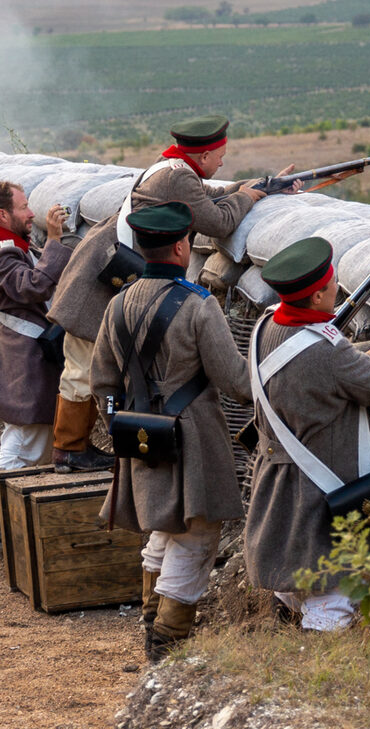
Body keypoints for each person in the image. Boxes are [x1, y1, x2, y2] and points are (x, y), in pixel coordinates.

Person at [48, 115, 293, 472]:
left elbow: (211, 198)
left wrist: (262, 187)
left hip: (105, 271)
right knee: (82, 367)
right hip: (99, 283)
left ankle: (74, 447)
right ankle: (68, 449)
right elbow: (219, 221)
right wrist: (247, 198)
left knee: (86, 367)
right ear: (205, 154)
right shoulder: (177, 176)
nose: (222, 162)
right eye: (219, 155)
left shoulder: (172, 169)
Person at [243, 237, 370, 631]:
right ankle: (314, 675)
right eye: (330, 287)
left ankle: (287, 647)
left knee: (302, 576)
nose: (336, 291)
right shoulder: (325, 352)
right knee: (334, 592)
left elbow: (327, 365)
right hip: (321, 490)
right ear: (314, 298)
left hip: (282, 481)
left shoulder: (266, 326)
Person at [92, 202, 252, 662]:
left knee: (163, 532)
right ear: (182, 246)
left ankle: (152, 630)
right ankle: (165, 645)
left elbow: (101, 385)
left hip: (139, 435)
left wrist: (125, 427)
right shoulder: (200, 305)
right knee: (196, 536)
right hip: (195, 439)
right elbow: (236, 383)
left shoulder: (117, 304)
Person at [0, 181, 72, 544]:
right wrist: (54, 241)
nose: (31, 214)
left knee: (31, 442)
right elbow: (35, 287)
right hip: (23, 363)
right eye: (24, 207)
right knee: (24, 443)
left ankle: (6, 522)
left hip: (29, 358)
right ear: (4, 214)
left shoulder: (13, 249)